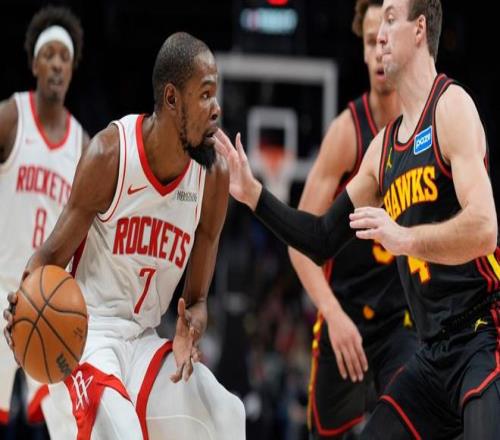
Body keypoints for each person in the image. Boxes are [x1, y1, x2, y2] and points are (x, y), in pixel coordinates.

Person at [214, 0, 500, 437]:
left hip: (483, 334)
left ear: (419, 29)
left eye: (391, 20)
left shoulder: (451, 106)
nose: (379, 35)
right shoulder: (381, 149)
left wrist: (405, 239)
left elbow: (484, 228)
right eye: (376, 27)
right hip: (432, 353)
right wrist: (255, 196)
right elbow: (320, 238)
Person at [4, 32, 245, 439]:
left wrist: (192, 326)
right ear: (172, 99)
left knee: (226, 414)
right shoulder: (111, 155)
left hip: (143, 342)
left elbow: (198, 301)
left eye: (215, 95)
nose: (217, 108)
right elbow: (48, 257)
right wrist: (21, 310)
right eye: (205, 95)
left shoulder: (213, 177)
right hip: (84, 339)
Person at [288, 1, 417, 437]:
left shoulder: (428, 126)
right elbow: (299, 242)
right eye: (370, 41)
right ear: (362, 50)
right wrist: (332, 313)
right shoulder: (347, 132)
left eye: (387, 38)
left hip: (403, 318)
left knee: (412, 419)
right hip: (344, 315)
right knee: (325, 432)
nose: (380, 51)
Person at [0, 6, 88, 437]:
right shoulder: (10, 117)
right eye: (49, 55)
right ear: (35, 64)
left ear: (71, 70)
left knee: (68, 425)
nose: (56, 64)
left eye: (64, 57)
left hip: (50, 300)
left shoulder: (84, 146)